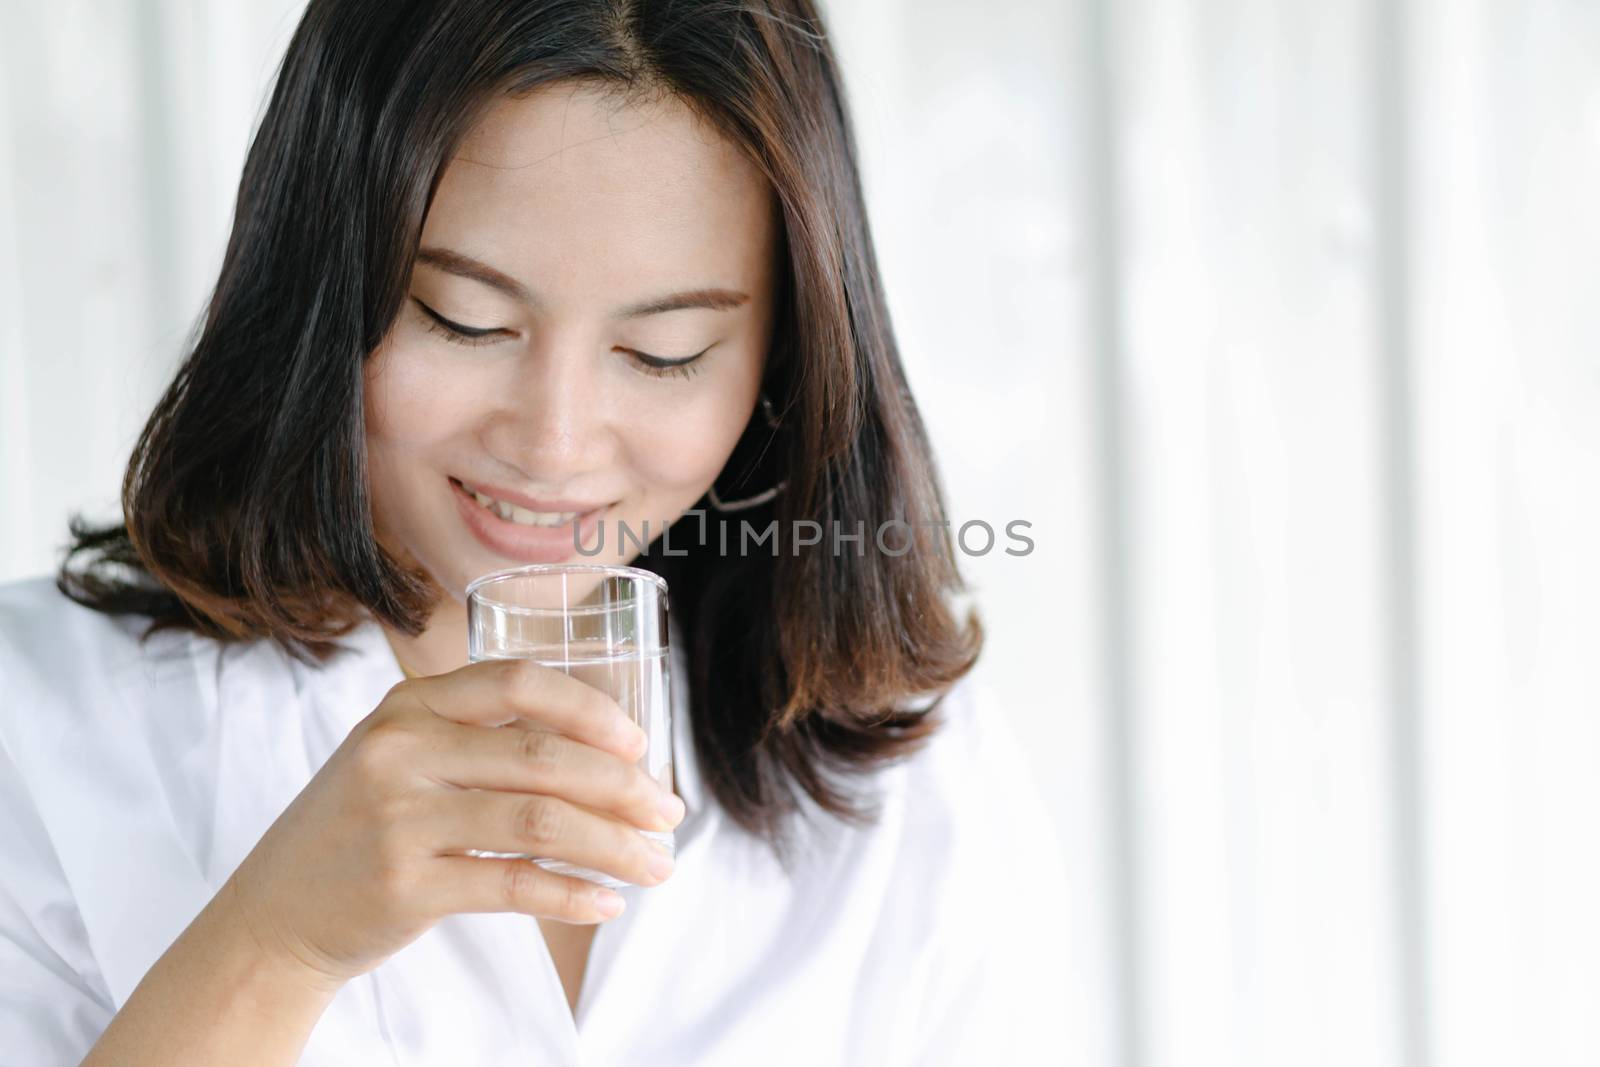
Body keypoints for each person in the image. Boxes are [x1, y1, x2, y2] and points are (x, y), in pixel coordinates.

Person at [0, 1, 1071, 1064]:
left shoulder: (909, 773)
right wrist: (274, 946)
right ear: (321, 287)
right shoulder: (45, 729)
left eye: (665, 351)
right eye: (464, 321)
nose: (553, 445)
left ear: (784, 356)